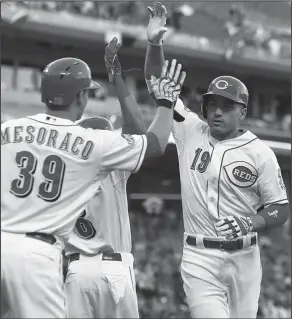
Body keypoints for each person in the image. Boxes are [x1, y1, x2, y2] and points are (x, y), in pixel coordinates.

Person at [1, 35, 186, 318]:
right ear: (82, 96)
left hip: (52, 259)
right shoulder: (93, 148)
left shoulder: (9, 130)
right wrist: (165, 102)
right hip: (64, 259)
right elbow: (151, 140)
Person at [144, 2, 290, 318]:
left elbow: (280, 208)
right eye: (212, 104)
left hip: (245, 259)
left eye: (227, 105)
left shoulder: (260, 153)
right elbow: (158, 84)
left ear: (243, 111)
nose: (217, 111)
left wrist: (251, 221)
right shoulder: (191, 129)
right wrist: (155, 45)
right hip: (199, 256)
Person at [64, 39, 145, 318]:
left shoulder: (66, 165)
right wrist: (117, 77)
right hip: (112, 267)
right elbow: (139, 131)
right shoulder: (112, 164)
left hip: (75, 270)